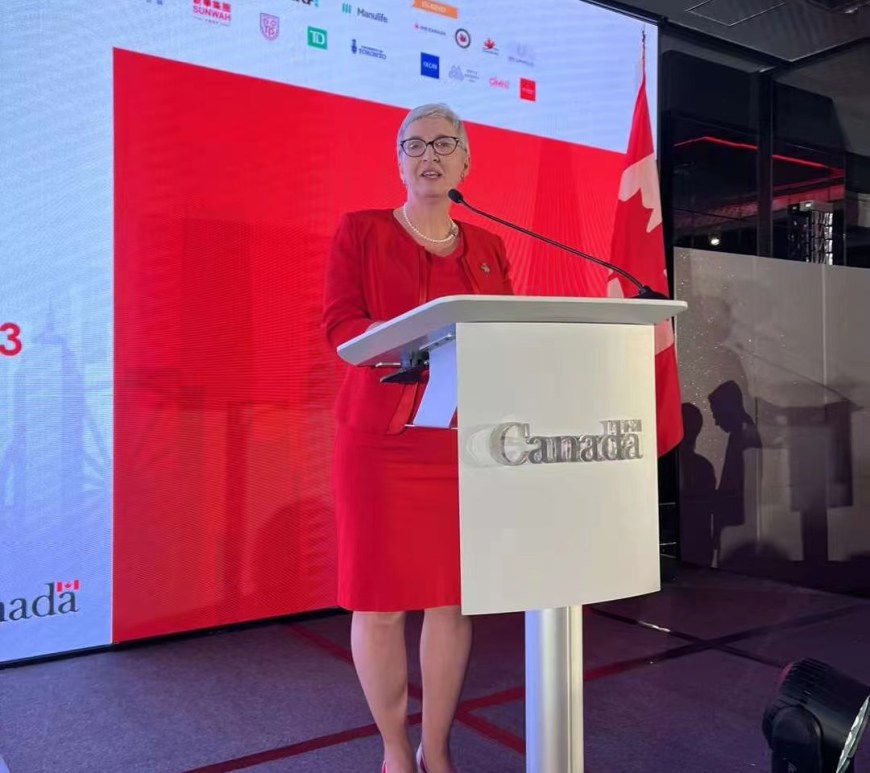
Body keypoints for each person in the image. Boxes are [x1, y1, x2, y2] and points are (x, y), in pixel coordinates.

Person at [322, 103, 513, 773]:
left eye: (443, 144)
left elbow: (503, 336)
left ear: (466, 162)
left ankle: (440, 748)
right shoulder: (362, 231)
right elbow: (340, 326)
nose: (429, 155)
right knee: (379, 603)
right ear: (398, 161)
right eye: (414, 145)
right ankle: (396, 750)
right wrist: (409, 338)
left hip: (459, 442)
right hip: (380, 442)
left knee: (450, 599)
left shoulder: (489, 248)